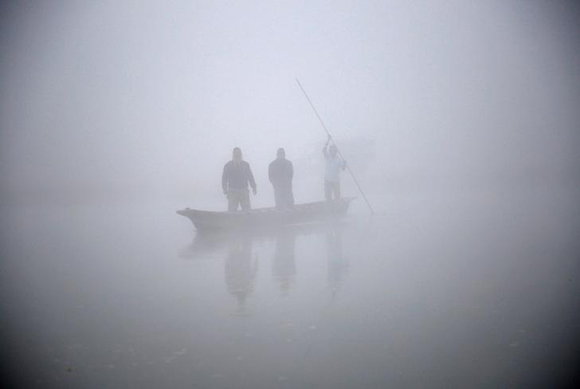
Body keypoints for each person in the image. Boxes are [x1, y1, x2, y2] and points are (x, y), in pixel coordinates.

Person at [322, 136, 346, 201]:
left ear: (336, 151)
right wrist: (328, 140)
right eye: (331, 151)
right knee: (328, 197)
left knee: (337, 197)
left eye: (334, 151)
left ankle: (338, 206)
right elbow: (324, 149)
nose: (332, 152)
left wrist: (344, 164)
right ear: (330, 151)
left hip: (336, 180)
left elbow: (343, 168)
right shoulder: (327, 157)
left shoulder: (339, 159)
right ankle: (329, 207)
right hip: (327, 180)